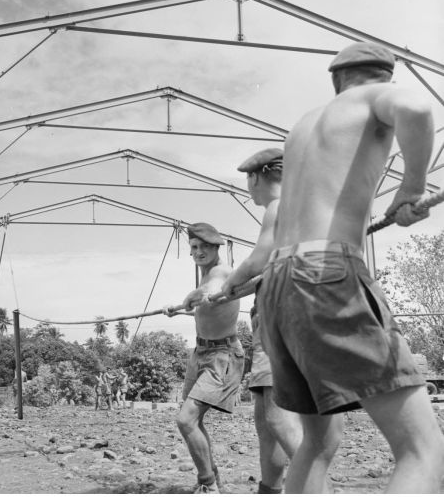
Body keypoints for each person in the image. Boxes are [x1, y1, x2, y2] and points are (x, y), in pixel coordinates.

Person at [259, 41, 444, 493]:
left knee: (317, 442)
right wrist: (412, 185)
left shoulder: (303, 127)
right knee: (424, 450)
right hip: (328, 273)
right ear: (384, 76)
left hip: (279, 286)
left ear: (336, 79)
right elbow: (418, 108)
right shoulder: (371, 97)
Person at [221, 148, 308, 494]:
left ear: (257, 176)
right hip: (288, 315)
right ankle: (270, 487)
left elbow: (260, 258)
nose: (248, 189)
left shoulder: (278, 207)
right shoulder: (303, 207)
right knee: (264, 417)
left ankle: (319, 487)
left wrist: (229, 283)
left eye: (248, 181)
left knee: (276, 414)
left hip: (278, 320)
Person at [164, 222, 244, 494]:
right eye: (194, 247)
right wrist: (179, 309)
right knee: (193, 422)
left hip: (222, 355)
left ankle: (209, 485)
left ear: (216, 247)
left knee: (185, 420)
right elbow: (208, 309)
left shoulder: (222, 273)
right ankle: (211, 478)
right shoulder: (206, 274)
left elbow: (216, 292)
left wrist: (194, 295)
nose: (197, 252)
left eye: (203, 247)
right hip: (200, 353)